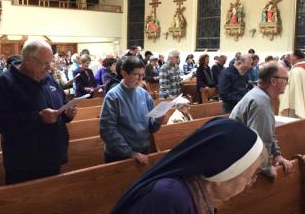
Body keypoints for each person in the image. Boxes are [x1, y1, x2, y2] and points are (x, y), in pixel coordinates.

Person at [110, 118, 264, 214]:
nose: (250, 183)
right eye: (250, 176)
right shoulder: (169, 197)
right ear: (224, 174)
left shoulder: (197, 191)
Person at [0, 40, 77, 185]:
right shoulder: (5, 82)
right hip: (24, 163)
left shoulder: (48, 79)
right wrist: (37, 118)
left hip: (52, 157)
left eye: (51, 62)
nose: (49, 68)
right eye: (45, 63)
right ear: (28, 60)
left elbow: (60, 105)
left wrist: (67, 115)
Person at [230, 61, 292, 179]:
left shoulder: (261, 96)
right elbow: (260, 138)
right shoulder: (261, 102)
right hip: (237, 162)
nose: (287, 83)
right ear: (273, 81)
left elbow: (268, 132)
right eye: (286, 79)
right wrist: (266, 168)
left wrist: (277, 154)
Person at [99, 56, 163, 164]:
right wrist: (130, 153)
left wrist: (158, 121)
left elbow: (151, 128)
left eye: (142, 75)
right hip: (119, 156)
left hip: (142, 152)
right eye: (136, 74)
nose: (140, 79)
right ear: (124, 73)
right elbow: (107, 130)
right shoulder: (113, 96)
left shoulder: (144, 94)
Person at [279, 49, 305, 118]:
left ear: (295, 57)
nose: (289, 58)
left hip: (296, 108)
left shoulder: (295, 71)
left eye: (290, 56)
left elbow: (292, 92)